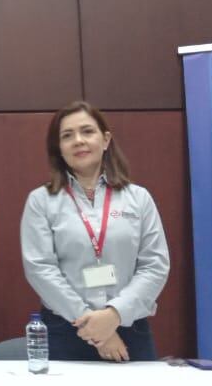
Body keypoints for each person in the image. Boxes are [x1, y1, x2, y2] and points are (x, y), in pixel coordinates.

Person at [20, 100, 169, 362]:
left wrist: (113, 315)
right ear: (59, 148)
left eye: (87, 131)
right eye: (67, 135)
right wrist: (95, 328)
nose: (78, 141)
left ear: (105, 140)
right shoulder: (41, 200)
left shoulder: (138, 198)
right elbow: (40, 268)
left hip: (129, 327)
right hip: (66, 329)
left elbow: (154, 265)